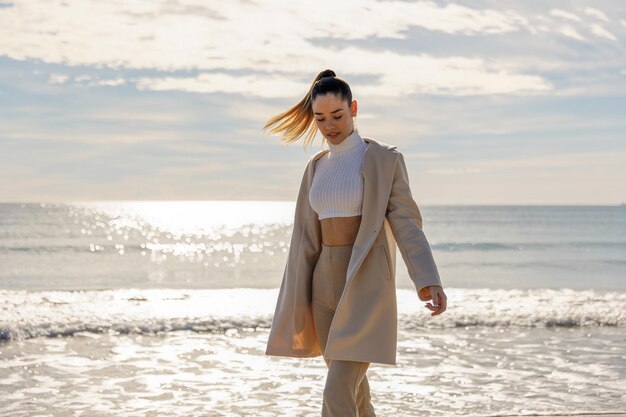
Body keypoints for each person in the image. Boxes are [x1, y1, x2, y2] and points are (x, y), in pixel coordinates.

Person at [263, 69, 447, 417]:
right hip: (323, 289)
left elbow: (407, 223)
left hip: (365, 287)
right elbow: (305, 238)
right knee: (355, 393)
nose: (330, 125)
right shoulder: (315, 168)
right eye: (320, 119)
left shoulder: (383, 159)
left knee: (337, 392)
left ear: (354, 109)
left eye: (338, 115)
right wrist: (297, 295)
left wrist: (428, 279)